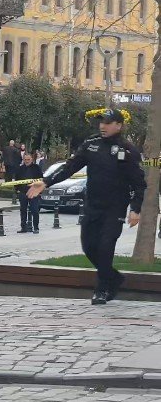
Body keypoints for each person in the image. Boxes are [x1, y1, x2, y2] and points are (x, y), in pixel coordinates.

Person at [27, 109, 147, 304]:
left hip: (114, 208)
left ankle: (102, 290)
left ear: (119, 125)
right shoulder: (91, 144)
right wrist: (46, 182)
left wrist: (136, 209)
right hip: (92, 205)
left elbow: (139, 183)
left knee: (106, 246)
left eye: (107, 123)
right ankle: (114, 278)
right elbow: (70, 167)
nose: (102, 126)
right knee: (89, 246)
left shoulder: (128, 150)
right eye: (101, 122)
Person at [15, 153, 44, 234]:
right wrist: (17, 190)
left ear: (32, 159)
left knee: (35, 210)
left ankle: (36, 227)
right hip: (23, 192)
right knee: (23, 210)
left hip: (33, 192)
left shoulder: (36, 168)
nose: (27, 161)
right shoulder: (20, 168)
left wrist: (39, 191)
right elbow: (17, 180)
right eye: (25, 160)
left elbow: (41, 180)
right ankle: (23, 227)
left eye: (28, 159)